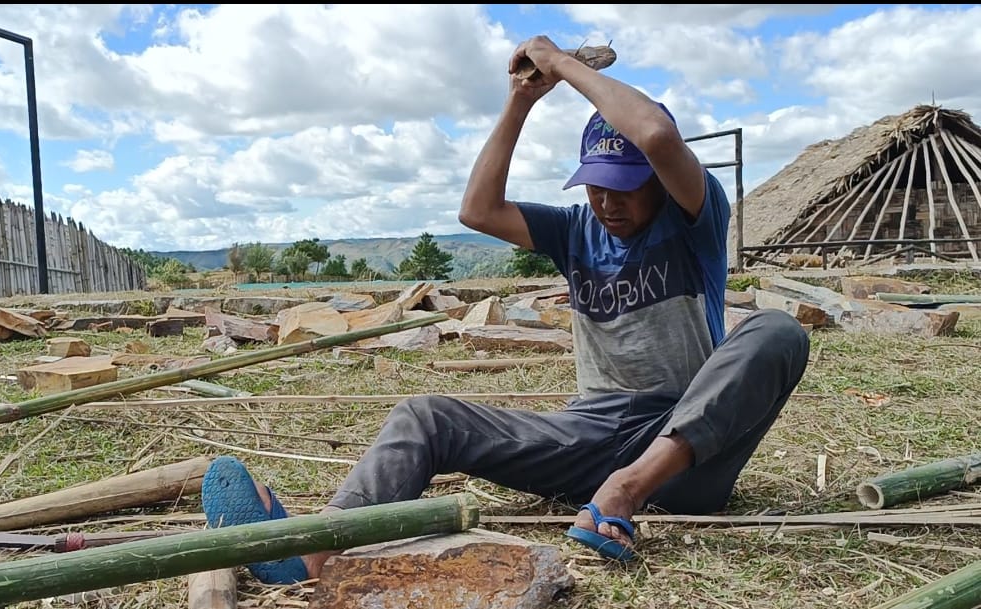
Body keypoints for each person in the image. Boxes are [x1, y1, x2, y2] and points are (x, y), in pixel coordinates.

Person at [200, 34, 810, 584]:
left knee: (776, 332)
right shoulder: (576, 231)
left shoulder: (693, 224)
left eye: (625, 186)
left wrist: (563, 65)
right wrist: (522, 97)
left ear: (658, 179)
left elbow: (654, 134)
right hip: (589, 434)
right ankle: (313, 549)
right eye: (595, 183)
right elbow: (477, 209)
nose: (606, 201)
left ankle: (625, 491)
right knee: (424, 417)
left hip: (683, 448)